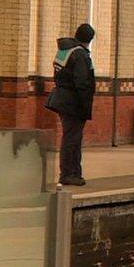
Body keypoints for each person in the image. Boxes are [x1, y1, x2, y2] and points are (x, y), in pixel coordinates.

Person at [46, 24, 96, 186]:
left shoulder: (64, 50)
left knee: (71, 137)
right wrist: (85, 104)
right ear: (90, 39)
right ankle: (68, 174)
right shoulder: (80, 55)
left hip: (62, 99)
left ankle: (73, 172)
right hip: (73, 102)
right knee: (72, 139)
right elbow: (82, 83)